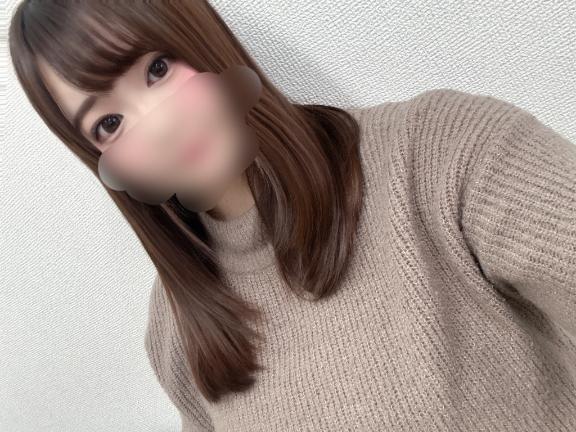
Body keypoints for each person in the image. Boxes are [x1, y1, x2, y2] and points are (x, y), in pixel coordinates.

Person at [8, 1, 576, 431]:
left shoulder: (443, 154)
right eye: (109, 124)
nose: (159, 126)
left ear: (200, 38)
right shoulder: (177, 328)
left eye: (157, 69)